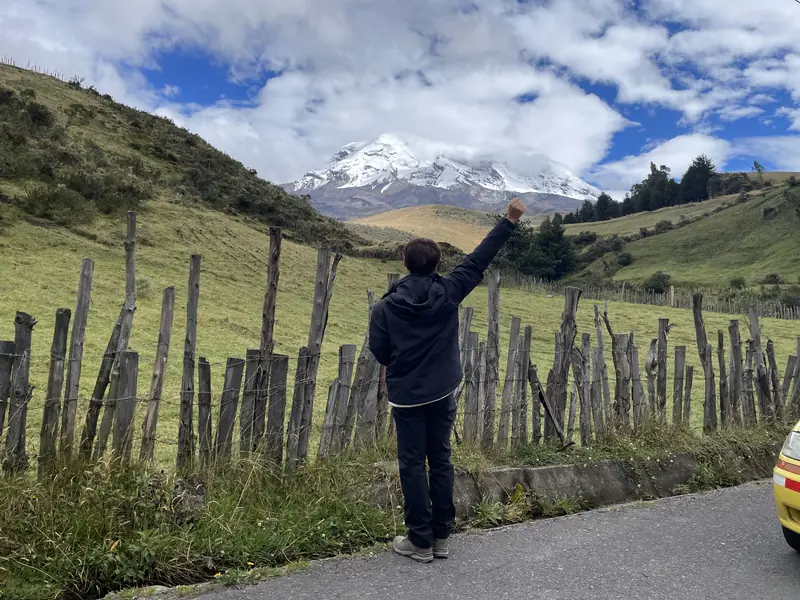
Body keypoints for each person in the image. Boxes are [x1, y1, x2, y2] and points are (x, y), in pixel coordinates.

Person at [369, 198, 526, 563]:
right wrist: (509, 221)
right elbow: (478, 260)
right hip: (443, 391)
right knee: (440, 458)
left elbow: (380, 350)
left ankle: (419, 541)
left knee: (411, 463)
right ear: (438, 265)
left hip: (407, 396)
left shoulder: (385, 307)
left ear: (404, 264)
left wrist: (402, 366)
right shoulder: (449, 291)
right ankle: (441, 537)